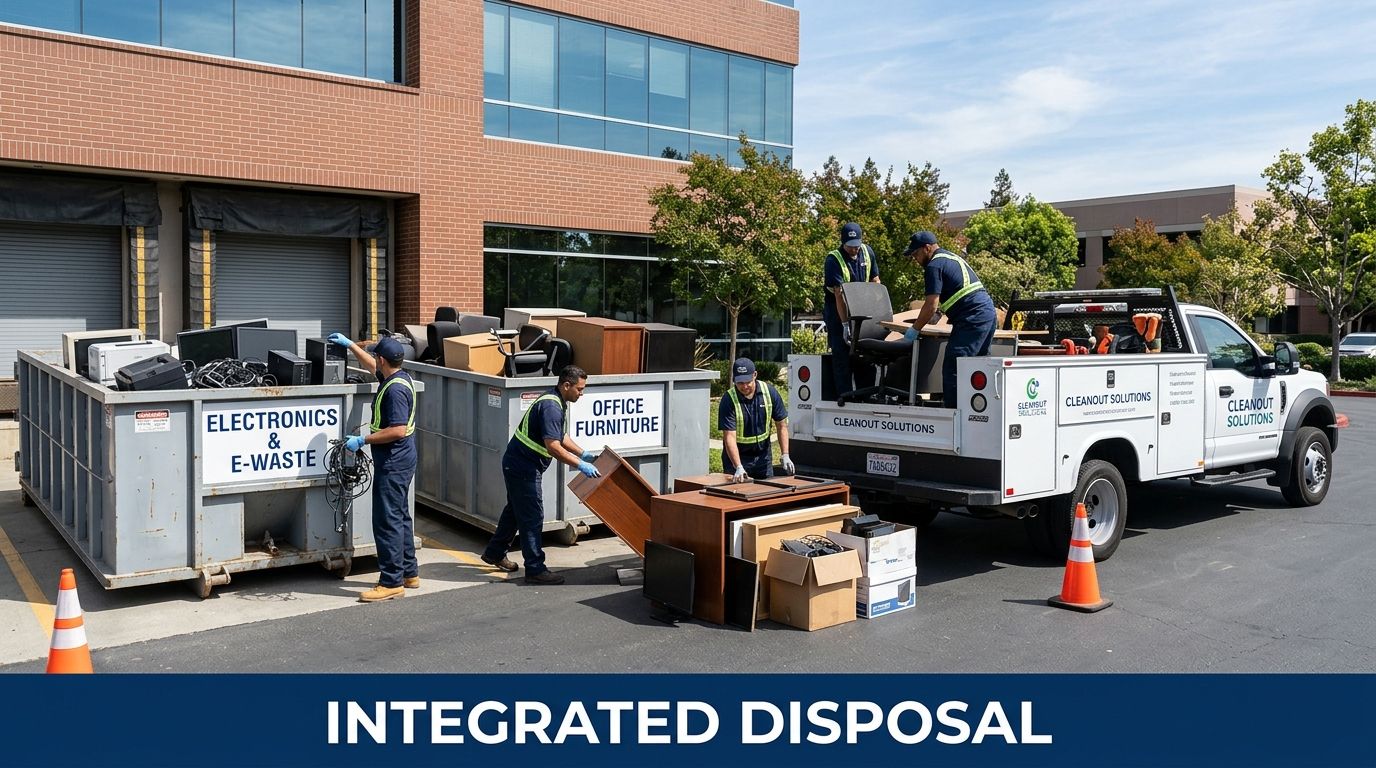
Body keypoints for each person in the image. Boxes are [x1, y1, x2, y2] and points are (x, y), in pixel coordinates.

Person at [481, 365, 600, 585]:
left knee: (515, 511)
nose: (582, 393)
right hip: (523, 467)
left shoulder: (556, 400)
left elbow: (560, 436)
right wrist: (580, 464)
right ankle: (535, 568)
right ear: (566, 385)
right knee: (532, 517)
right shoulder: (551, 406)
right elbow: (553, 446)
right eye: (580, 389)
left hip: (518, 464)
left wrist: (582, 453)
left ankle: (495, 553)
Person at [328, 332, 419, 602]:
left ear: (383, 360)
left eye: (376, 356)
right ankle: (409, 572)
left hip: (394, 460)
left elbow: (398, 430)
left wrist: (362, 440)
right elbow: (372, 367)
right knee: (400, 516)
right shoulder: (398, 377)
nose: (375, 360)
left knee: (386, 520)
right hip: (402, 458)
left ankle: (391, 581)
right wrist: (351, 346)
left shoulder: (395, 391)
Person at [901, 231, 997, 408]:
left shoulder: (933, 266)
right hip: (986, 313)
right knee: (979, 366)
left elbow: (931, 304)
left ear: (927, 248)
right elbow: (955, 295)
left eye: (916, 254)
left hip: (972, 317)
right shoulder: (950, 257)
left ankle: (954, 414)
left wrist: (914, 329)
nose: (915, 259)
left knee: (955, 367)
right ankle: (981, 412)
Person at [822, 221, 882, 398]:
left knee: (865, 356)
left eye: (857, 246)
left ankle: (866, 396)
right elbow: (839, 295)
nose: (854, 249)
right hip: (838, 312)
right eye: (850, 246)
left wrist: (876, 309)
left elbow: (875, 280)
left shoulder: (867, 252)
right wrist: (845, 325)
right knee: (842, 357)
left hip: (863, 309)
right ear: (843, 243)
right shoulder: (833, 260)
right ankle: (845, 398)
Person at [719, 358, 793, 482]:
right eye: (740, 383)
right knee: (738, 492)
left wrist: (785, 454)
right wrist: (738, 467)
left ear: (755, 375)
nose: (744, 386)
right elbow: (729, 437)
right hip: (738, 458)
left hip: (763, 457)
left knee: (767, 490)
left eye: (748, 382)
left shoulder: (769, 393)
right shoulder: (728, 399)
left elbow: (781, 425)